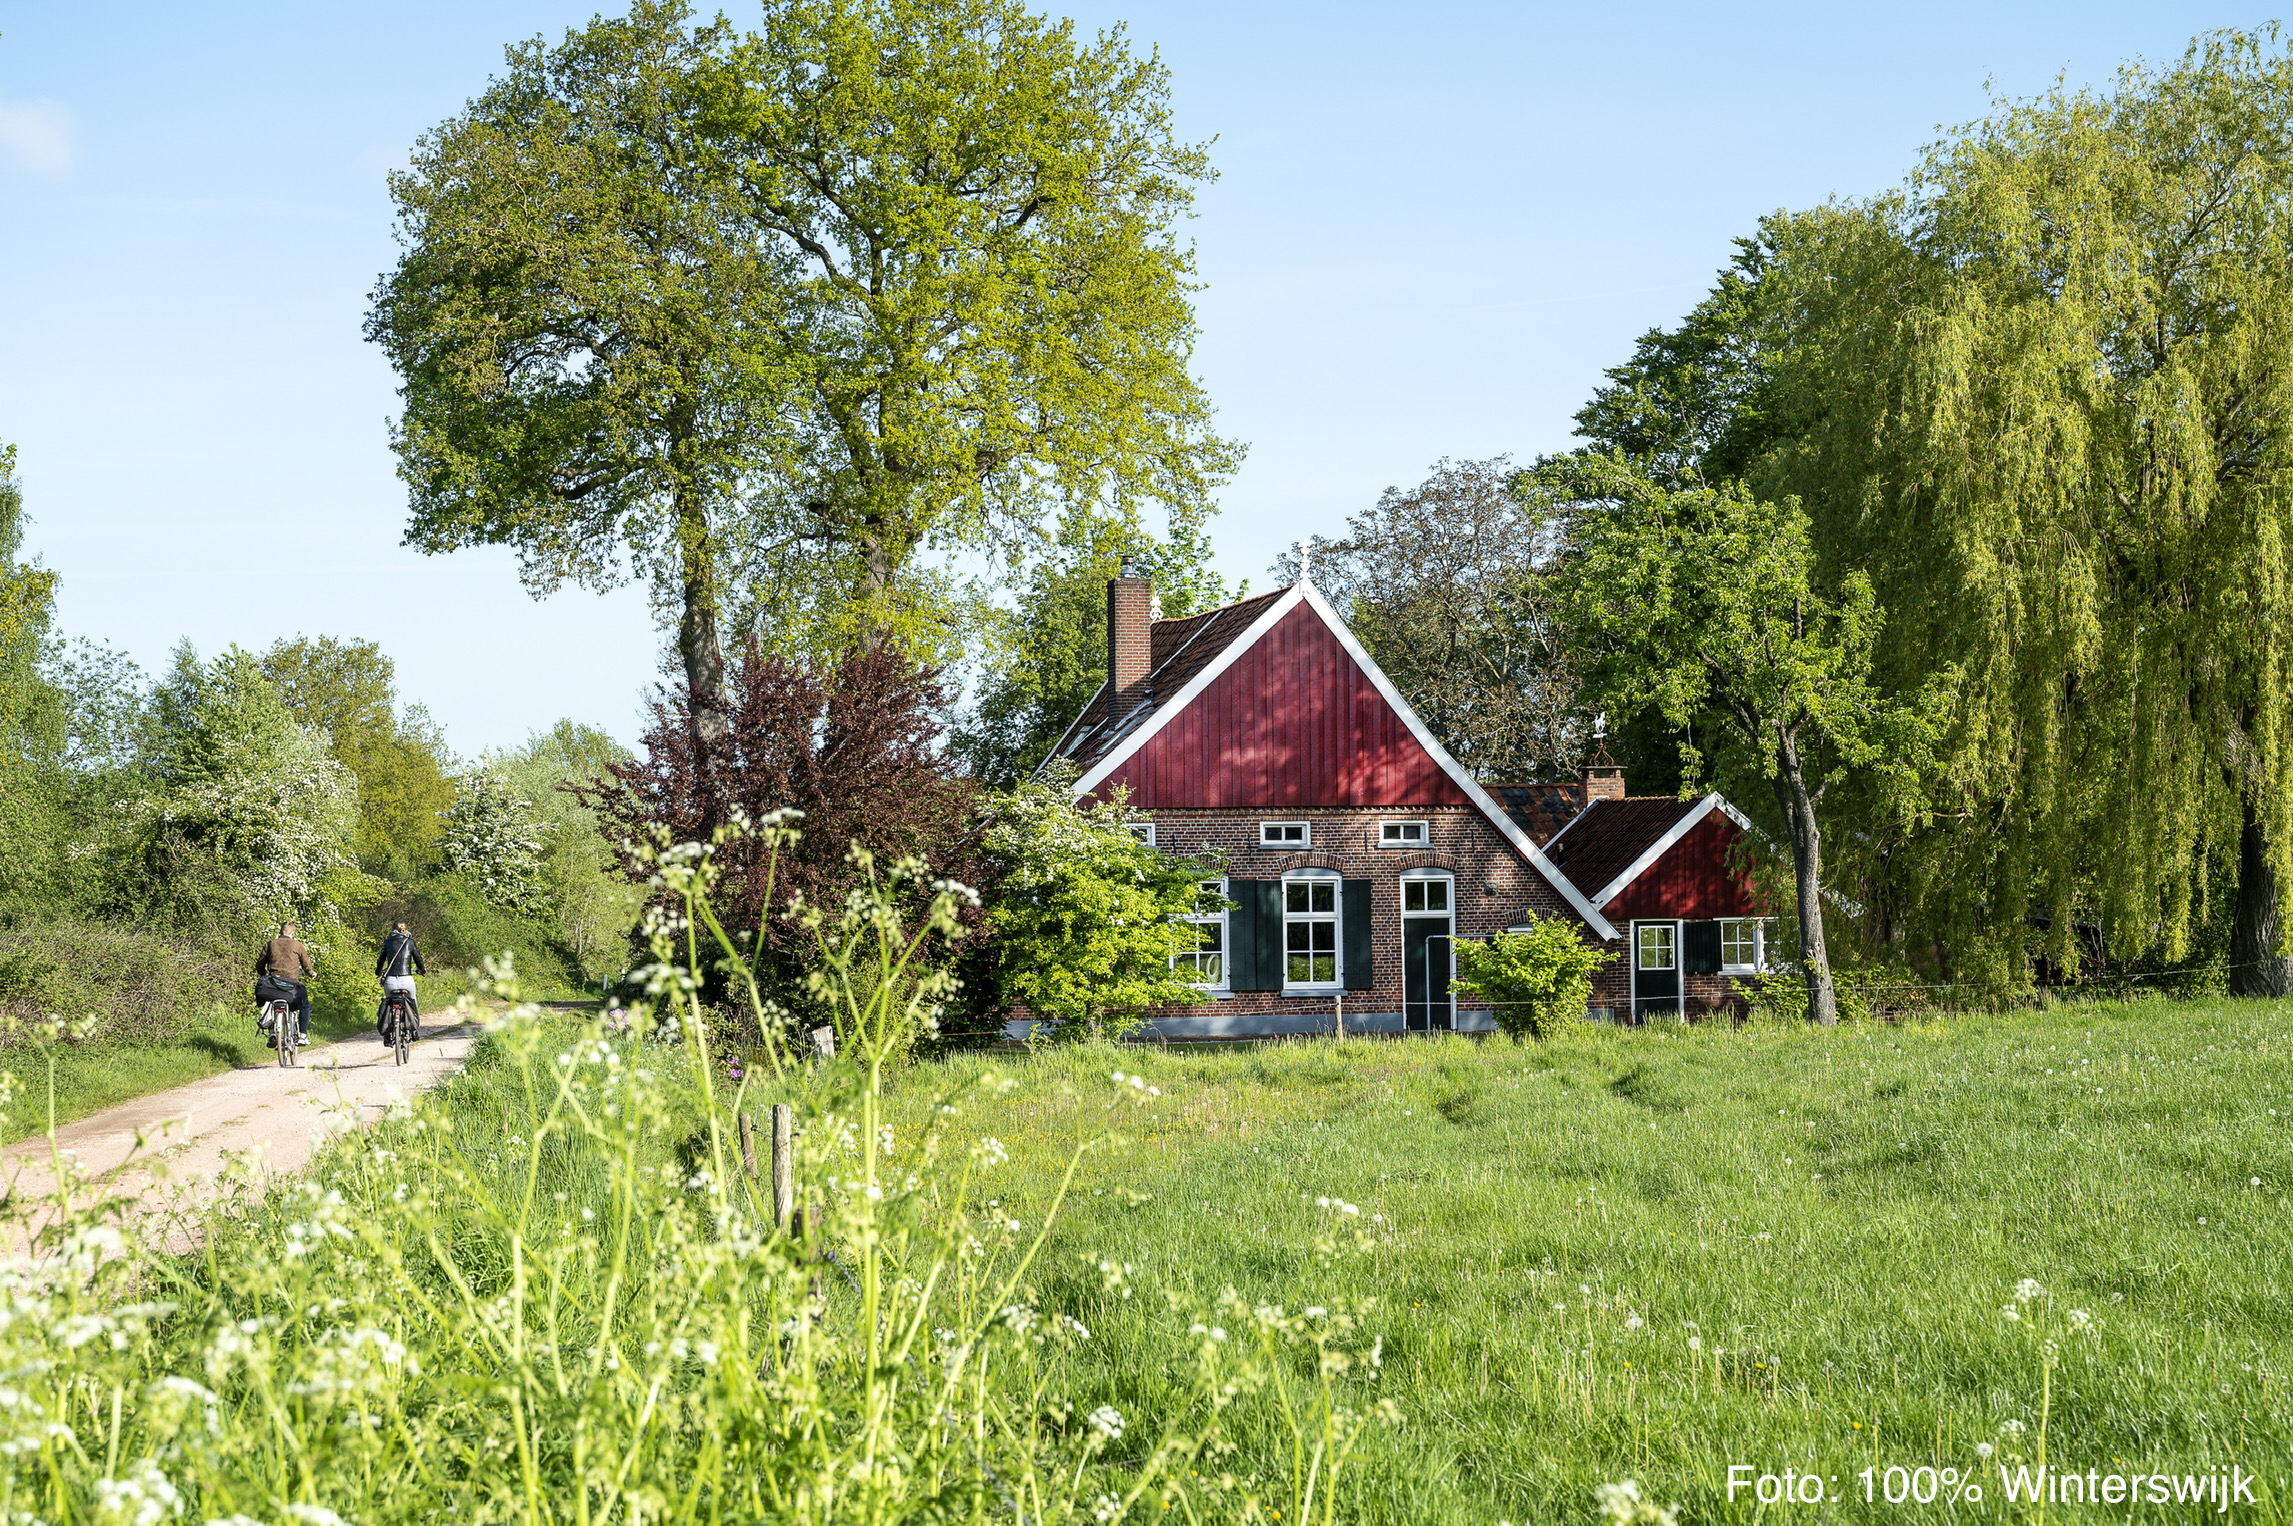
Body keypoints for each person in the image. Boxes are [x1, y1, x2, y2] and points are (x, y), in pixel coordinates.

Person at [256, 921, 316, 1042]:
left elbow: (260, 965)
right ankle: (303, 1035)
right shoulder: (297, 945)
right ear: (292, 933)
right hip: (291, 985)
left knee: (269, 1003)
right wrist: (311, 973)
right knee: (305, 1004)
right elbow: (306, 965)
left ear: (280, 932)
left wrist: (263, 974)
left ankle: (272, 1032)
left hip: (272, 984)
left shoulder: (270, 944)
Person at [374, 920, 427, 1037]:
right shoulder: (410, 942)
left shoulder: (387, 942)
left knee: (388, 1003)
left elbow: (380, 961)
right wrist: (421, 970)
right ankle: (414, 1031)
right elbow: (418, 959)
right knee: (412, 1001)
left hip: (391, 981)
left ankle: (387, 1035)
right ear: (405, 929)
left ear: (392, 929)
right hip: (406, 980)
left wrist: (378, 972)